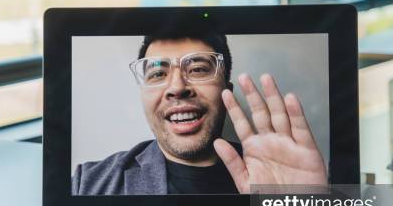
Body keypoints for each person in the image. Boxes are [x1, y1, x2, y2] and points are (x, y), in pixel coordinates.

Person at [72, 33, 327, 195]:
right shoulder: (89, 183)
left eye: (197, 69)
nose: (177, 88)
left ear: (226, 92)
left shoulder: (285, 172)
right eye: (158, 74)